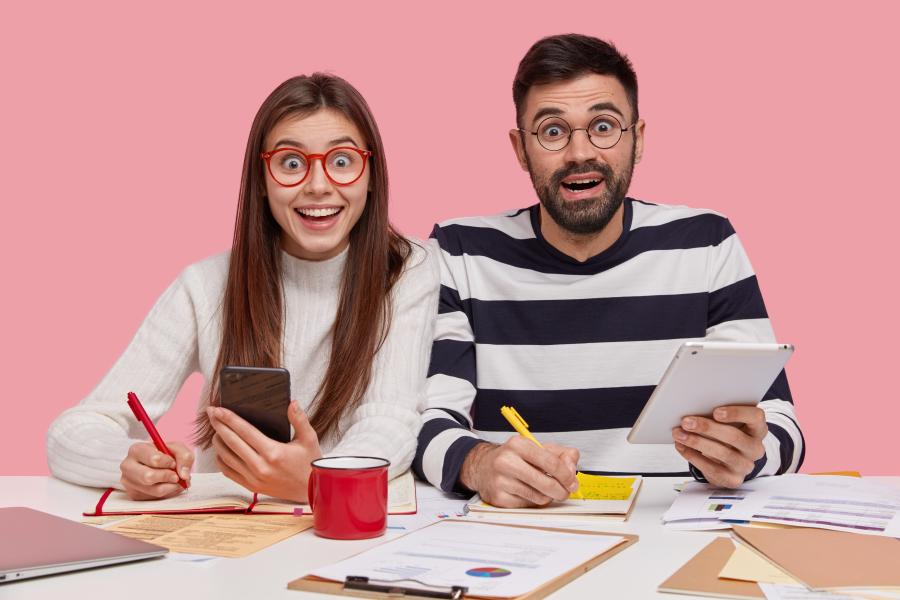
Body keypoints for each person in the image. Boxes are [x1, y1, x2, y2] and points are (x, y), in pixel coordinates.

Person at [413, 34, 804, 507]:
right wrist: (478, 463)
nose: (580, 154)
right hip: (525, 525)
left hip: (676, 526)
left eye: (603, 126)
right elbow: (425, 420)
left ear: (637, 140)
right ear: (520, 150)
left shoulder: (706, 242)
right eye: (553, 131)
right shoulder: (460, 252)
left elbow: (782, 422)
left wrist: (750, 453)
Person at [47, 73, 439, 502]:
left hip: (342, 526)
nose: (318, 185)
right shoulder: (207, 284)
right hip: (231, 532)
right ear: (262, 180)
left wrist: (317, 483)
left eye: (342, 161)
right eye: (291, 163)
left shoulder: (407, 271)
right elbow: (72, 432)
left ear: (370, 173)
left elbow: (390, 420)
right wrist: (127, 461)